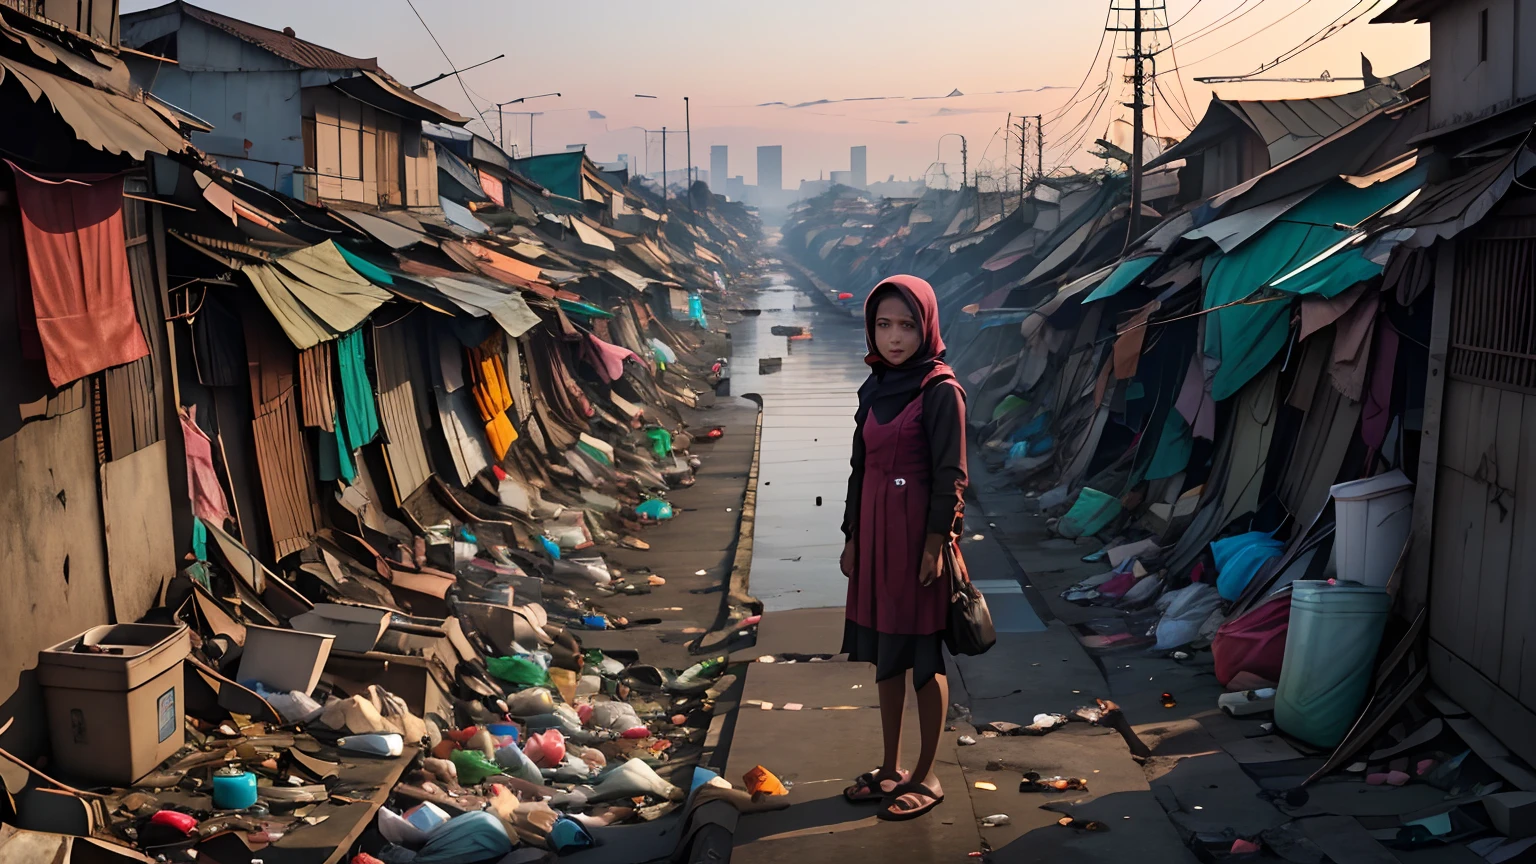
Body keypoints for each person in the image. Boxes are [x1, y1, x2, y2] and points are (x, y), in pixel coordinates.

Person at [839, 274, 968, 822]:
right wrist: (850, 537)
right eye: (883, 325)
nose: (894, 338)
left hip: (918, 537)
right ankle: (889, 766)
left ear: (928, 326)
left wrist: (937, 544)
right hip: (873, 534)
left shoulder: (940, 390)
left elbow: (952, 476)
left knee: (921, 656)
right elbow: (858, 467)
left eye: (907, 326)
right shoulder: (875, 385)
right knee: (885, 653)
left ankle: (926, 775)